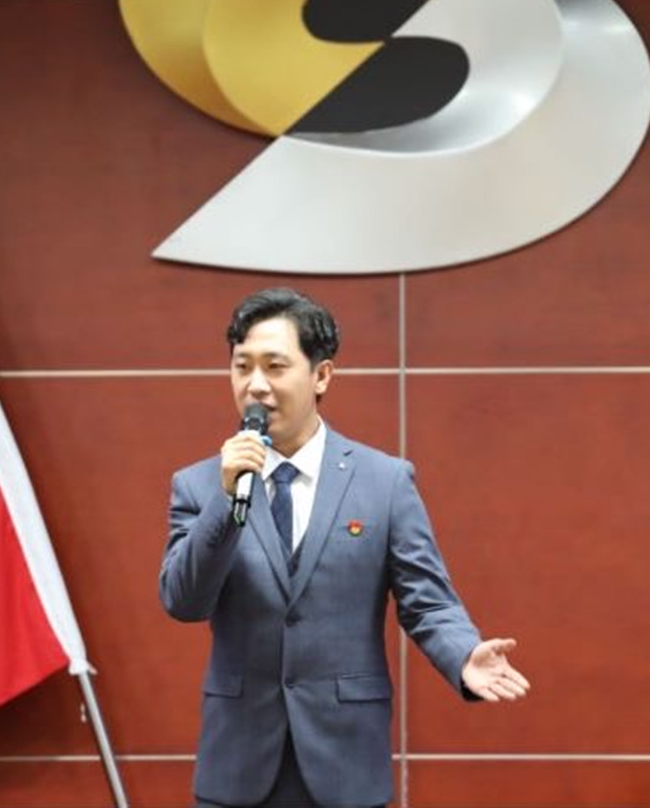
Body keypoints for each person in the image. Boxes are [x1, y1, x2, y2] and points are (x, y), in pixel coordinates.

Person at [160, 288, 529, 808]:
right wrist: (226, 499)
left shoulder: (384, 482)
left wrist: (464, 652)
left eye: (274, 366)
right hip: (238, 767)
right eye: (242, 367)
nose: (255, 385)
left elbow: (427, 601)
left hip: (346, 763)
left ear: (322, 375)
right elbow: (183, 601)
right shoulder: (200, 485)